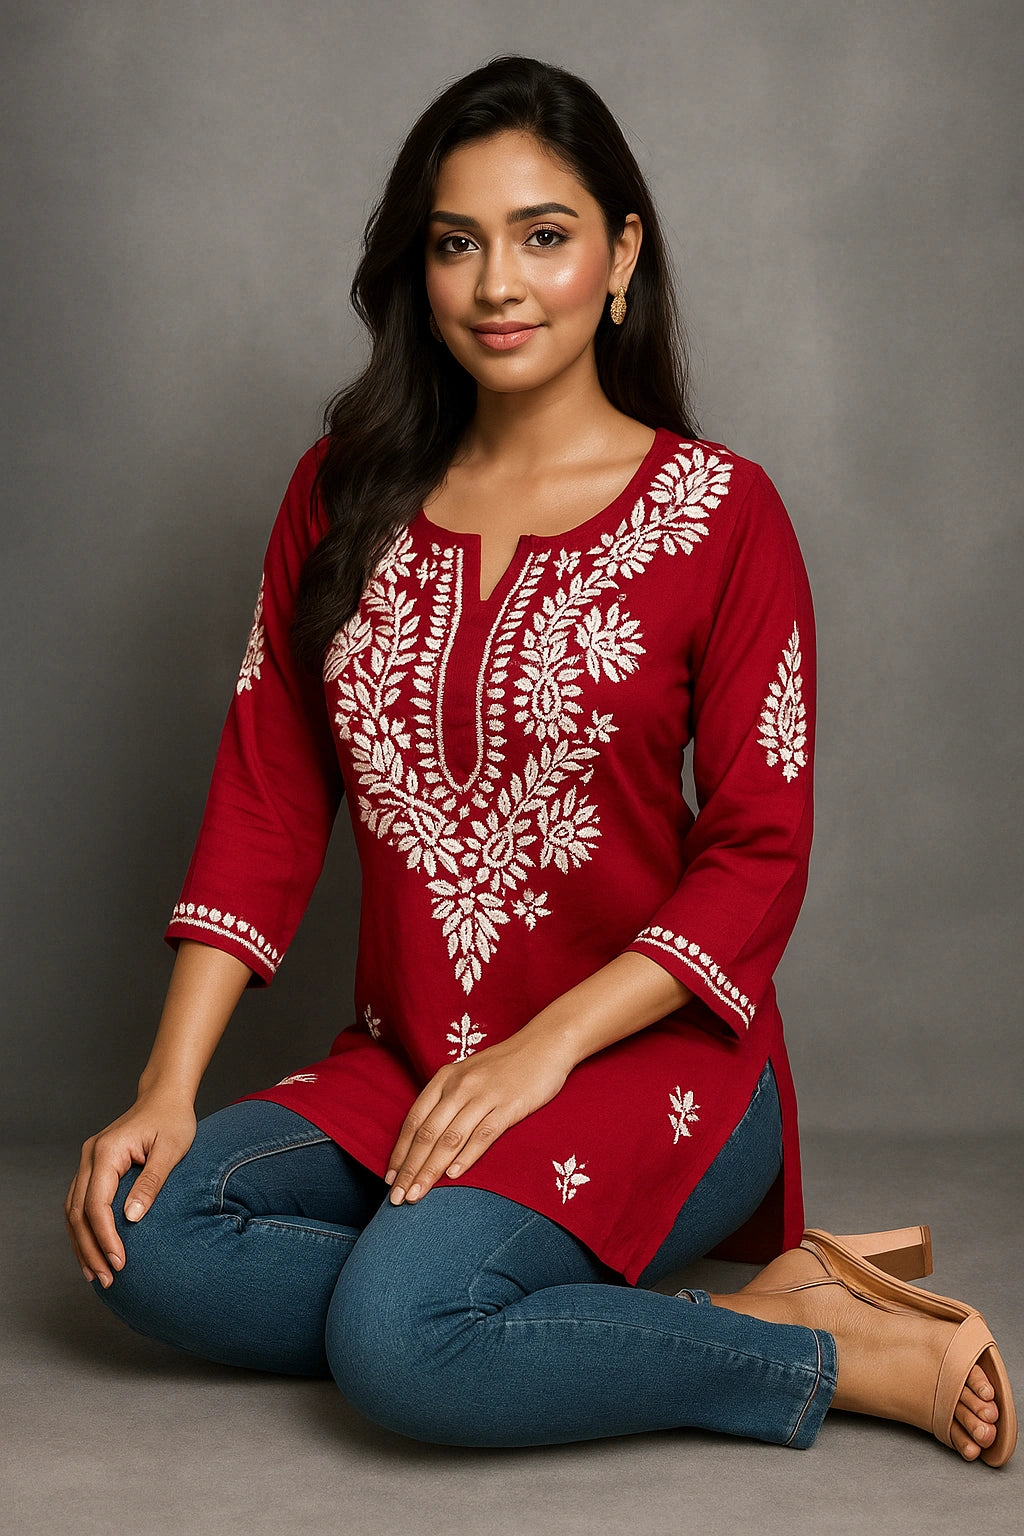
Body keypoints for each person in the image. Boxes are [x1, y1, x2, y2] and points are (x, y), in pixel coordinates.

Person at [64, 54, 1014, 1465]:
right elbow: (268, 791)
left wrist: (542, 1051)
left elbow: (759, 854)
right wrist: (165, 1086)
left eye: (543, 236)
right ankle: (544, 1305)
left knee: (402, 1344)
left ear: (621, 256)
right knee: (142, 1238)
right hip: (410, 1063)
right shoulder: (341, 495)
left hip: (657, 1064)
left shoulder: (722, 517)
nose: (497, 284)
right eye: (458, 243)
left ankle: (819, 1352)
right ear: (419, 268)